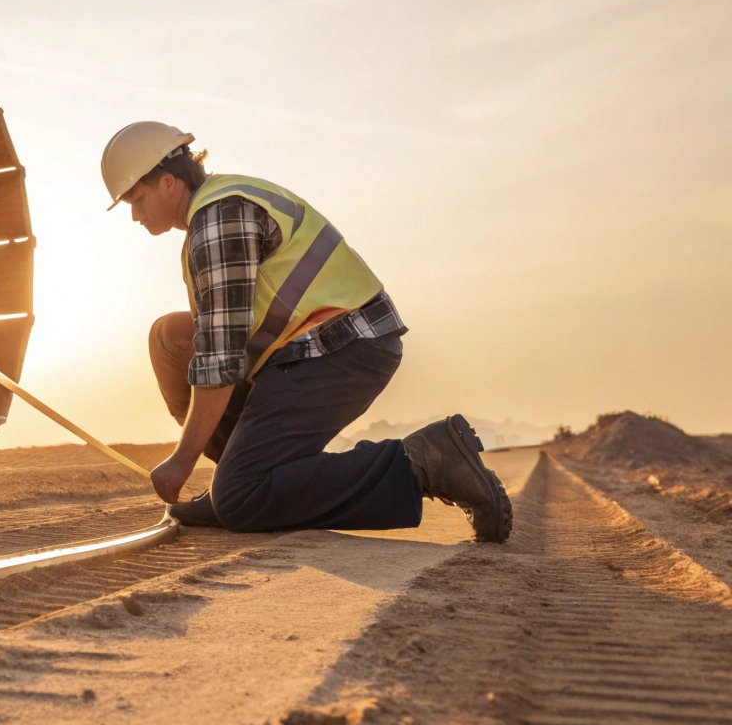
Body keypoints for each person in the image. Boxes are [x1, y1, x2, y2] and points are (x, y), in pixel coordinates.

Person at [102, 121, 511, 542]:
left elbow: (220, 357)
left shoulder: (218, 219)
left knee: (241, 499)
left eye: (137, 197)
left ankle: (425, 461)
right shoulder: (217, 206)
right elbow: (219, 338)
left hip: (342, 347)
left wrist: (182, 460)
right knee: (169, 339)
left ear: (168, 182)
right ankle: (244, 473)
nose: (134, 213)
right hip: (309, 350)